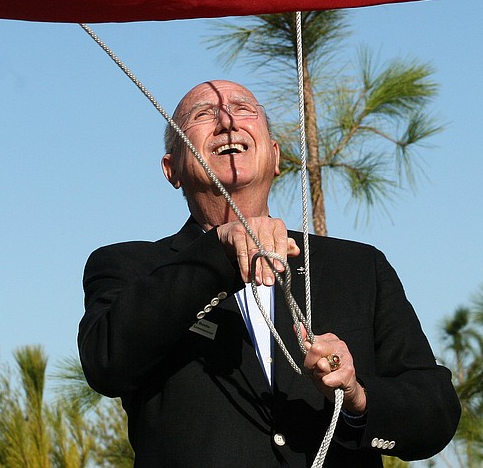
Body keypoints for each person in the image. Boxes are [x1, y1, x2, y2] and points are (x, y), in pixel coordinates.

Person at [78, 80, 460, 467]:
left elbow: (436, 413)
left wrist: (357, 397)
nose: (227, 120)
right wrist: (217, 252)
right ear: (171, 168)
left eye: (244, 108)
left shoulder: (359, 267)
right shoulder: (130, 266)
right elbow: (105, 363)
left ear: (275, 157)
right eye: (203, 114)